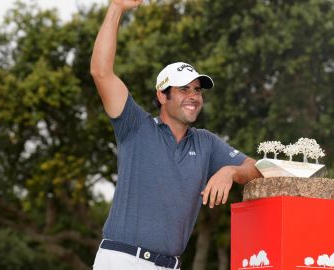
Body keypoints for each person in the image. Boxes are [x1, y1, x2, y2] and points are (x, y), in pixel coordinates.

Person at [90, 0, 262, 269]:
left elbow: (256, 168)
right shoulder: (135, 125)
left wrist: (231, 172)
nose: (193, 96)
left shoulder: (206, 142)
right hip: (122, 259)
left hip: (169, 265)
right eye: (183, 89)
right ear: (162, 95)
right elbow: (101, 72)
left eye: (197, 90)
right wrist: (117, 8)